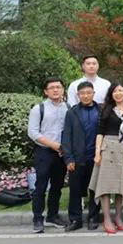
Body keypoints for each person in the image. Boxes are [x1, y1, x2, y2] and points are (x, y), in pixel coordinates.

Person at [89, 82, 123, 234]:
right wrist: (97, 153)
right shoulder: (106, 109)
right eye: (115, 91)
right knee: (106, 186)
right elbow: (100, 132)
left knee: (121, 186)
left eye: (121, 90)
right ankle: (107, 219)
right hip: (108, 148)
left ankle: (118, 218)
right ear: (111, 94)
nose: (118, 93)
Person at [27, 77, 70, 233]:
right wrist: (54, 145)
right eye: (52, 88)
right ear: (46, 91)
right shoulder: (38, 108)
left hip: (61, 153)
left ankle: (52, 216)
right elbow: (32, 132)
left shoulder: (68, 108)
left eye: (58, 87)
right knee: (41, 186)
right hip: (44, 152)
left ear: (63, 90)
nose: (55, 90)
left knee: (57, 186)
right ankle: (38, 219)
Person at [62, 81, 101, 232]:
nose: (86, 96)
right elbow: (66, 136)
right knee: (75, 190)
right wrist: (69, 158)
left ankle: (93, 218)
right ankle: (75, 219)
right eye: (82, 93)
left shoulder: (101, 110)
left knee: (95, 190)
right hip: (77, 159)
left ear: (93, 94)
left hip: (96, 157)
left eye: (88, 93)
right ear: (78, 95)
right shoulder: (72, 112)